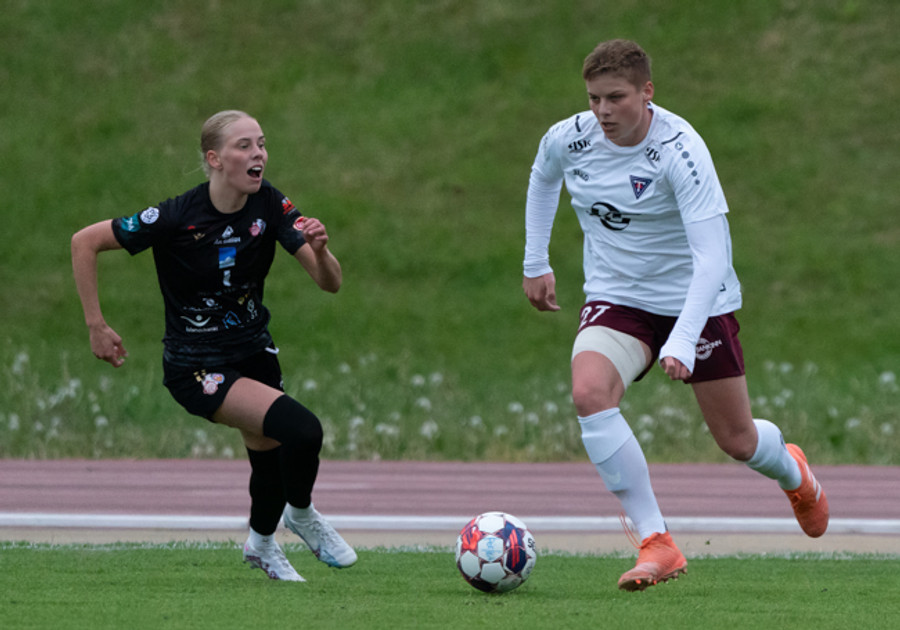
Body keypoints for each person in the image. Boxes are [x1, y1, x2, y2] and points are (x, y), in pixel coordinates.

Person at [522, 40, 829, 591]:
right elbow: (543, 176)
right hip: (618, 296)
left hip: (696, 300)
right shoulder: (569, 138)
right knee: (589, 393)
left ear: (647, 92)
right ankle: (656, 541)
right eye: (594, 98)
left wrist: (684, 337)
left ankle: (794, 471)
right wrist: (535, 261)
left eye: (616, 98)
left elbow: (712, 257)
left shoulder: (681, 150)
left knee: (737, 441)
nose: (602, 111)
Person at [71, 110, 357, 582]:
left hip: (254, 351)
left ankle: (261, 546)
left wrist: (321, 249)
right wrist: (95, 325)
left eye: (261, 143)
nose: (258, 154)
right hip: (197, 365)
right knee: (304, 431)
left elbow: (331, 283)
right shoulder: (175, 217)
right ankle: (302, 514)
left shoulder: (270, 204)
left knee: (267, 458)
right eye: (244, 145)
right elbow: (84, 242)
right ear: (215, 159)